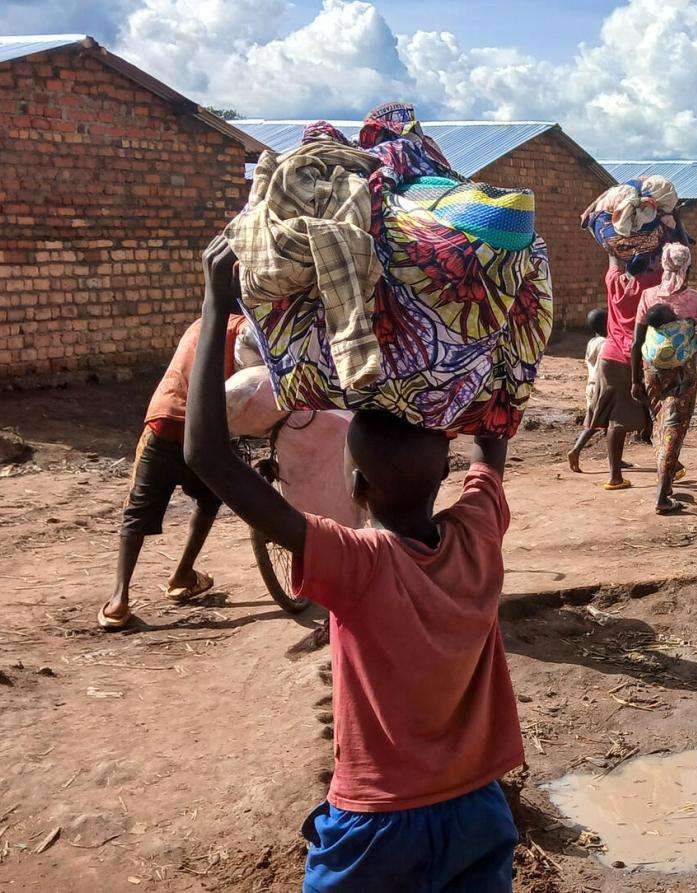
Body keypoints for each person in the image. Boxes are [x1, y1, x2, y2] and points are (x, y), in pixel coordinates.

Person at [187, 236, 522, 891]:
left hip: (378, 822)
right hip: (480, 807)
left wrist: (214, 305)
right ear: (444, 472)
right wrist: (488, 338)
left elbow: (207, 455)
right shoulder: (480, 532)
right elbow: (492, 445)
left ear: (358, 484)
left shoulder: (358, 565)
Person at [97, 312, 249, 630]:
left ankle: (118, 600)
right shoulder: (244, 331)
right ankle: (181, 574)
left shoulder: (200, 323)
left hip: (162, 420)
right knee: (209, 499)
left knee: (137, 509)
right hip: (201, 430)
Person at [630, 243, 697, 514]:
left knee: (661, 424)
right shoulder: (696, 299)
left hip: (652, 372)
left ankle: (667, 482)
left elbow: (637, 342)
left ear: (664, 265)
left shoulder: (648, 296)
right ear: (687, 268)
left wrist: (635, 379)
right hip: (682, 374)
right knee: (674, 428)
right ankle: (661, 497)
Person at [588, 252, 663, 490]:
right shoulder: (649, 284)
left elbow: (612, 257)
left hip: (609, 357)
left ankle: (617, 475)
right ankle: (665, 464)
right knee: (654, 411)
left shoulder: (614, 280)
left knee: (617, 417)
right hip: (634, 358)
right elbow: (674, 266)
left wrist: (616, 247)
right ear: (648, 266)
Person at [567, 308, 609, 472]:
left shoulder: (592, 342)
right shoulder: (605, 344)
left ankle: (615, 458)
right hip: (601, 386)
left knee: (608, 423)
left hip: (591, 386)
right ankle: (576, 449)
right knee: (594, 423)